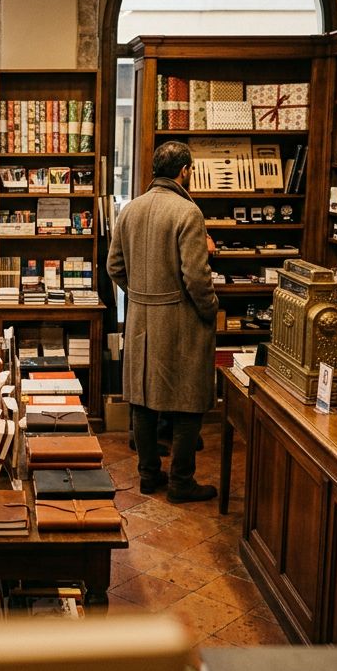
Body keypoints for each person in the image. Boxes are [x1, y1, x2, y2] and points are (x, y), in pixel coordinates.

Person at [107, 140, 219, 504]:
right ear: (184, 171)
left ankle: (147, 475)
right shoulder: (188, 213)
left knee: (142, 397)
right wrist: (210, 308)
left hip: (140, 317)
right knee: (188, 400)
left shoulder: (130, 210)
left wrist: (139, 293)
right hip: (181, 321)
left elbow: (114, 267)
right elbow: (197, 279)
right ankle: (181, 482)